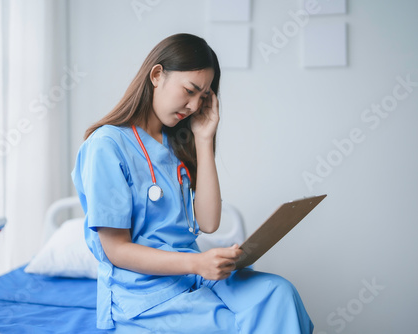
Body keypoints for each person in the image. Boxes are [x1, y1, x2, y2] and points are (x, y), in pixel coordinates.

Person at [71, 33, 314, 333]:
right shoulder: (106, 146)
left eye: (203, 98)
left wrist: (203, 138)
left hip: (193, 277)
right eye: (190, 90)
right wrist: (197, 264)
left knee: (279, 293)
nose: (194, 105)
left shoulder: (176, 143)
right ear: (157, 75)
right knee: (233, 324)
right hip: (145, 296)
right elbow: (117, 250)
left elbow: (209, 223)